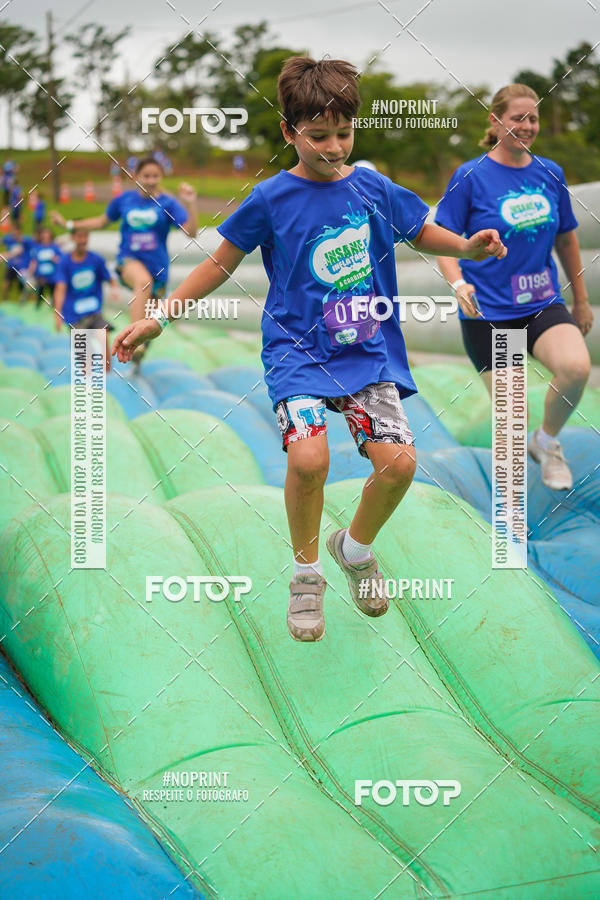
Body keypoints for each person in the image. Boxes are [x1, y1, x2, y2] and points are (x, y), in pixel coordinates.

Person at [112, 56, 506, 642]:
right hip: (297, 353)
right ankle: (305, 573)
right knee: (309, 461)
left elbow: (421, 230)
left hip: (366, 351)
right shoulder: (271, 198)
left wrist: (468, 250)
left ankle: (354, 548)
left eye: (342, 134)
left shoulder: (372, 187)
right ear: (290, 132)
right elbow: (222, 261)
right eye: (317, 136)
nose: (332, 147)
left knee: (400, 467)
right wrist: (161, 316)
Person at [435, 83, 593, 491]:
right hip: (489, 312)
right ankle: (508, 510)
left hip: (542, 302)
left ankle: (547, 442)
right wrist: (458, 284)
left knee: (576, 368)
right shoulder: (469, 176)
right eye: (517, 118)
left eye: (533, 118)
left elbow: (566, 239)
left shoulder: (549, 173)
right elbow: (444, 242)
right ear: (495, 120)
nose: (526, 126)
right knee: (512, 415)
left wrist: (581, 300)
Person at [51, 157, 198, 367]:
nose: (150, 180)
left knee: (152, 324)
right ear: (136, 176)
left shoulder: (168, 203)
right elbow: (101, 221)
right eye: (146, 175)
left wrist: (191, 204)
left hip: (159, 269)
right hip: (129, 261)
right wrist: (69, 223)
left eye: (155, 176)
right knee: (143, 282)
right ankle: (134, 343)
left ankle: (140, 352)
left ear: (161, 177)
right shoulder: (124, 200)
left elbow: (190, 232)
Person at [53, 226, 121, 371]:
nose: (83, 240)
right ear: (73, 238)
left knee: (103, 336)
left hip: (94, 313)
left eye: (85, 236)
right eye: (79, 236)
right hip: (75, 316)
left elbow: (110, 278)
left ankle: (107, 374)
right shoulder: (65, 262)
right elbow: (60, 289)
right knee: (84, 355)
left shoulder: (96, 260)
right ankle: (87, 376)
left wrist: (115, 290)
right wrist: (57, 313)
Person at [27, 226, 63, 307]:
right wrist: (30, 274)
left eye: (48, 237)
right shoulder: (37, 249)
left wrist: (55, 259)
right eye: (44, 237)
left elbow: (62, 259)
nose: (46, 239)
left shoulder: (55, 248)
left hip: (53, 277)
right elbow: (34, 262)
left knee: (54, 297)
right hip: (41, 278)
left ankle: (54, 311)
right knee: (40, 296)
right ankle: (38, 310)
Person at [2, 224, 34, 300]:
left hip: (21, 267)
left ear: (19, 231)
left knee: (25, 287)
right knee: (6, 284)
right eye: (13, 231)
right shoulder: (9, 239)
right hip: (11, 266)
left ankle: (28, 303)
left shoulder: (26, 240)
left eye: (16, 231)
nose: (14, 233)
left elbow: (33, 243)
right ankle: (4, 300)